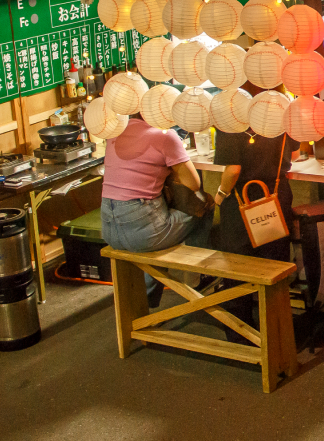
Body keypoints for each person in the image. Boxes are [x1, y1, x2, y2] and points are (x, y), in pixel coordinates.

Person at [211, 81, 300, 336]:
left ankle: (241, 334)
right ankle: (278, 332)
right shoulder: (284, 111)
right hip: (275, 198)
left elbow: (233, 170)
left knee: (237, 267)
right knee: (274, 264)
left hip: (241, 202)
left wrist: (220, 196)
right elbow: (292, 155)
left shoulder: (231, 119)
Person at [100, 112, 211, 305]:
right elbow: (193, 183)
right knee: (204, 205)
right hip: (144, 233)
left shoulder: (115, 130)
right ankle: (197, 277)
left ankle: (148, 296)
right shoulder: (165, 135)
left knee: (156, 223)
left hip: (109, 229)